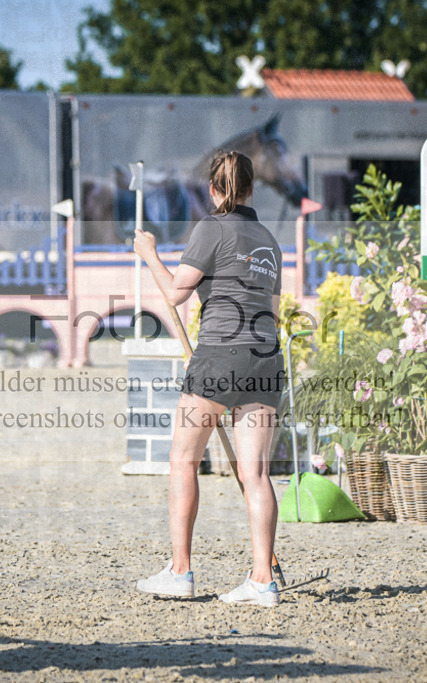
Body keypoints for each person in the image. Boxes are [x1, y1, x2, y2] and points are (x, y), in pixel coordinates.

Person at [132, 150, 286, 607]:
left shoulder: (210, 228)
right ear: (252, 189)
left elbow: (177, 292)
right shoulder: (269, 240)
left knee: (182, 461)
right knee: (255, 471)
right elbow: (272, 313)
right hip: (265, 358)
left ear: (214, 190)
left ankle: (181, 571)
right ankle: (262, 579)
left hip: (220, 354)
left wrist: (149, 255)